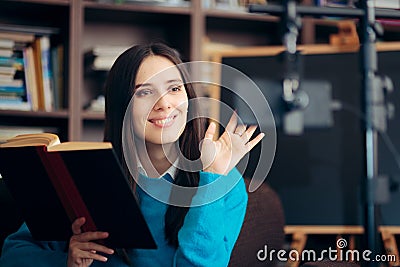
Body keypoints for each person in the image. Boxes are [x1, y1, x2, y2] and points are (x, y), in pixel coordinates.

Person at [0, 43, 264, 267]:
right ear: (122, 106)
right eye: (144, 92)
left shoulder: (223, 185)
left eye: (174, 88)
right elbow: (13, 255)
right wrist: (67, 260)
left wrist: (211, 180)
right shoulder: (90, 177)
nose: (164, 103)